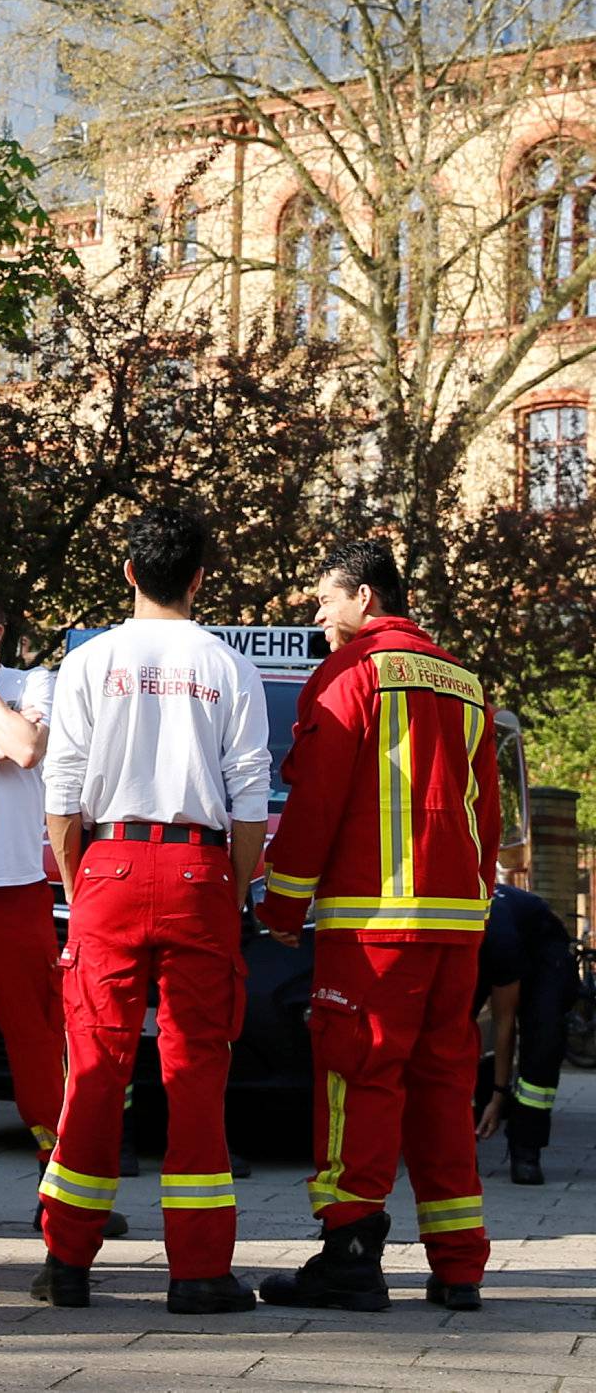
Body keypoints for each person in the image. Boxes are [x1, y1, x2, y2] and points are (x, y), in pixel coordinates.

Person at [36, 499, 269, 1316]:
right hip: (201, 866)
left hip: (107, 860)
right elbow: (249, 801)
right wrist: (228, 890)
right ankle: (200, 1271)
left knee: (95, 1067)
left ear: (129, 571)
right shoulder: (227, 663)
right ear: (200, 578)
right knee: (197, 1070)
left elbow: (61, 793)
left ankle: (67, 1258)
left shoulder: (90, 662)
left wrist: (80, 880)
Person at [258, 535, 499, 1315]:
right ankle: (459, 1265)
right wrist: (476, 903)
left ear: (366, 597)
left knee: (357, 1078)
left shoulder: (351, 672)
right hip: (455, 921)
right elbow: (485, 817)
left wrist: (284, 903)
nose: (319, 612)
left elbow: (316, 800)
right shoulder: (464, 681)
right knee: (442, 1083)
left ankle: (352, 1257)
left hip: (372, 924)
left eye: (326, 596)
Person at [0, 584, 127, 1241]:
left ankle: (59, 1188)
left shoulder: (31, 681)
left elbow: (25, 748)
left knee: (39, 1041)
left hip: (16, 886)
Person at [475, 878, 577, 1186]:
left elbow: (506, 1023)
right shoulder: (450, 934)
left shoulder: (498, 937)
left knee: (543, 1040)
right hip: (494, 947)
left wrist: (498, 1096)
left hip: (545, 954)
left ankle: (526, 1149)